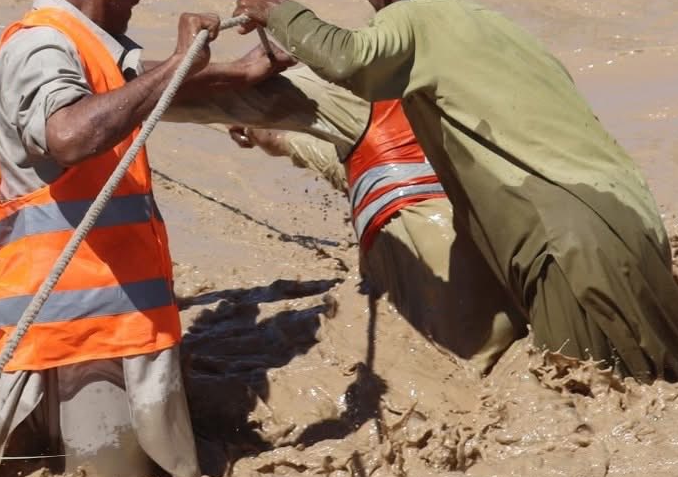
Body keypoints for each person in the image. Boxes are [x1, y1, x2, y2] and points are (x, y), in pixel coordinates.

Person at [234, 0, 678, 381]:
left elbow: (349, 59)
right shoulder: (505, 30)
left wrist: (275, 9)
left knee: (584, 410)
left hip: (567, 249)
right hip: (634, 223)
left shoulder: (411, 19)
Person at [0, 0, 278, 477]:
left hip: (105, 330)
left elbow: (138, 84)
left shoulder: (89, 46)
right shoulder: (42, 47)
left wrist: (244, 71)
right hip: (80, 347)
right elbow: (68, 133)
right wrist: (177, 64)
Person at [172, 64, 522, 371]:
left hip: (449, 333)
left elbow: (216, 101)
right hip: (513, 320)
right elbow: (339, 160)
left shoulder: (363, 117)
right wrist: (267, 135)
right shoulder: (471, 120)